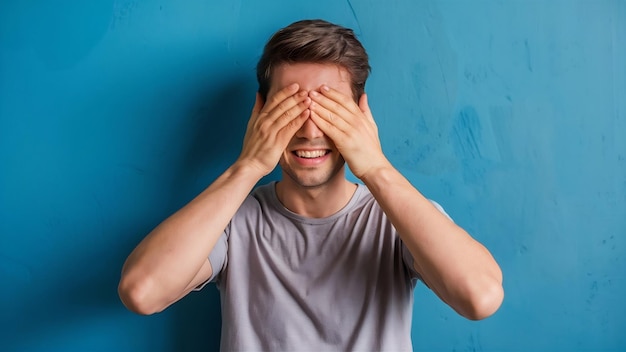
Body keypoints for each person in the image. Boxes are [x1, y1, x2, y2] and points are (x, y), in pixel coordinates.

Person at [118, 19, 504, 351]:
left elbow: (480, 298)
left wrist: (375, 166)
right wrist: (248, 165)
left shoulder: (398, 218)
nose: (309, 130)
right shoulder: (232, 221)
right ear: (260, 114)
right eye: (290, 108)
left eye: (329, 110)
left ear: (360, 116)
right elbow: (142, 291)